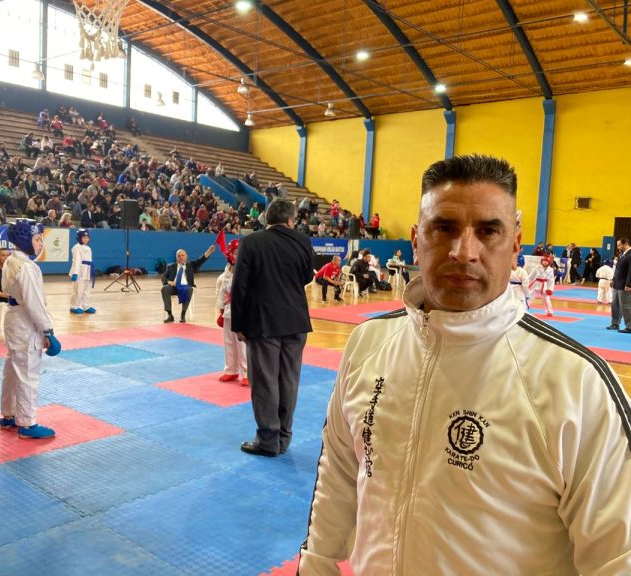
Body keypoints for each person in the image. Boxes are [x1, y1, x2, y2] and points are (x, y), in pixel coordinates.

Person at [298, 154, 631, 574]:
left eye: (488, 231)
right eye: (445, 228)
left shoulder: (577, 383)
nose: (464, 252)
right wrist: (316, 565)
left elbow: (619, 557)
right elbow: (340, 474)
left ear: (515, 244)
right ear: (417, 240)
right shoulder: (369, 342)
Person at [231, 198, 315, 457]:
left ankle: (268, 439)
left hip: (263, 321)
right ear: (291, 220)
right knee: (289, 380)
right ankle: (283, 437)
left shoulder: (252, 242)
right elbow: (308, 277)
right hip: (296, 320)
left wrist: (239, 323)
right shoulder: (303, 241)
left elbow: (240, 285)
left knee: (266, 381)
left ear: (266, 219)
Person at [0, 219, 61, 439]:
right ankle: (27, 423)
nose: (41, 243)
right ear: (25, 239)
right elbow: (34, 303)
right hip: (25, 323)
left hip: (13, 319)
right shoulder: (27, 267)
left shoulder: (10, 261)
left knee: (13, 371)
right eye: (37, 238)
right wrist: (48, 331)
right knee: (27, 373)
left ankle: (9, 415)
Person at [215, 239, 248, 386]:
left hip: (242, 312)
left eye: (239, 252)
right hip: (228, 312)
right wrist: (220, 312)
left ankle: (247, 373)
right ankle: (231, 370)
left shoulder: (248, 269)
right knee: (228, 342)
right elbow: (222, 292)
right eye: (234, 252)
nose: (236, 255)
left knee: (242, 344)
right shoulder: (226, 272)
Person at [161, 245, 216, 323]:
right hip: (174, 287)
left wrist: (209, 251)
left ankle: (183, 314)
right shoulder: (170, 266)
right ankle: (170, 315)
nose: (181, 257)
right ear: (176, 258)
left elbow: (201, 260)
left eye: (183, 255)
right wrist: (170, 282)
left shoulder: (191, 265)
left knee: (189, 289)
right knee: (164, 289)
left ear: (186, 257)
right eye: (179, 256)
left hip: (185, 287)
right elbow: (163, 277)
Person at [69, 228, 96, 315]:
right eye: (84, 237)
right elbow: (77, 261)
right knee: (78, 290)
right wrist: (75, 273)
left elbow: (89, 261)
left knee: (85, 290)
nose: (86, 239)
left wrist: (90, 271)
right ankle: (74, 306)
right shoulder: (77, 248)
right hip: (79, 272)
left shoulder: (88, 248)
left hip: (86, 271)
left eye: (87, 237)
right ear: (79, 238)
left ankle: (85, 305)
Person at [607, 237, 631, 332]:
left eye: (619, 245)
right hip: (617, 283)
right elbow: (618, 269)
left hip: (625, 285)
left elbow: (630, 271)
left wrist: (629, 284)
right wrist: (613, 279)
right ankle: (615, 323)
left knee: (625, 306)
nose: (618, 247)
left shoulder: (630, 255)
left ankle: (629, 326)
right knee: (615, 305)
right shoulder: (622, 254)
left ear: (625, 244)